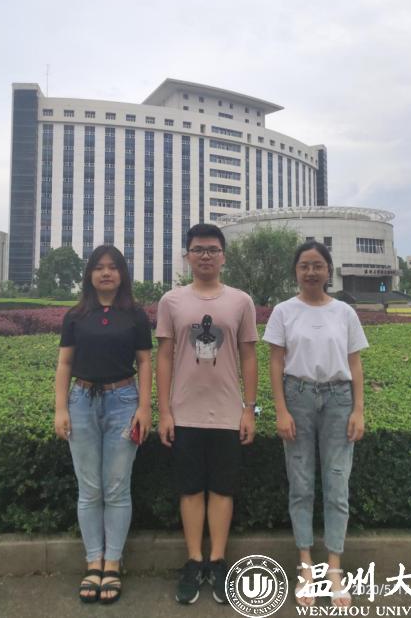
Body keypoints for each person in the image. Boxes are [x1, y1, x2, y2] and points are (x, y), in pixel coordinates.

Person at [156, 223, 258, 605]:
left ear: (223, 256)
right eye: (198, 249)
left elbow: (249, 356)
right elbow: (164, 356)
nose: (205, 256)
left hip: (228, 414)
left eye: (212, 249)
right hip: (184, 414)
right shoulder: (172, 301)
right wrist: (164, 410)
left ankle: (217, 561)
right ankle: (193, 561)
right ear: (187, 256)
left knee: (222, 490)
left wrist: (250, 409)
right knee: (190, 490)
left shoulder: (241, 302)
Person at [263, 240, 368, 609]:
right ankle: (306, 565)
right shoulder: (284, 311)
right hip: (298, 397)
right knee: (301, 483)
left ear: (328, 270)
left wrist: (358, 409)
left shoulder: (344, 312)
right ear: (296, 271)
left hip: (339, 400)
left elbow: (354, 363)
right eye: (304, 265)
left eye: (317, 265)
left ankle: (334, 568)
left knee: (337, 484)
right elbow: (276, 363)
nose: (311, 272)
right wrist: (281, 410)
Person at [54, 245, 152, 604]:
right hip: (81, 402)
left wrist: (145, 407)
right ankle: (93, 561)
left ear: (122, 274)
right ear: (90, 274)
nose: (106, 273)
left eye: (112, 267)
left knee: (116, 488)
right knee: (90, 489)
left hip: (123, 402)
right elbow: (65, 364)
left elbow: (145, 362)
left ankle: (113, 563)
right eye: (99, 267)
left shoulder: (135, 315)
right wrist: (60, 408)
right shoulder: (76, 315)